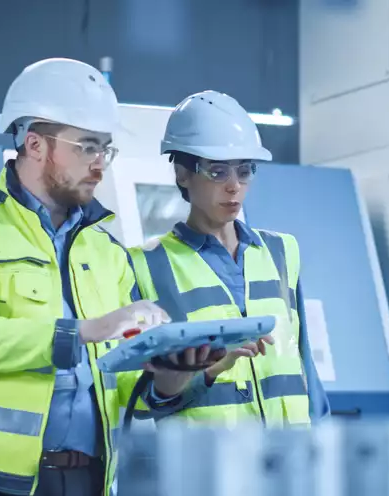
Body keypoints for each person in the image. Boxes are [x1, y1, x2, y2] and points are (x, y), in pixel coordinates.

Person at [0, 58, 207, 496]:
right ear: (35, 144)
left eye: (105, 149)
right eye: (87, 146)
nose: (100, 162)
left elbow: (128, 377)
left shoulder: (106, 250)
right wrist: (85, 330)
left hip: (88, 491)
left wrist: (174, 373)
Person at [128, 90, 330, 426]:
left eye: (245, 171)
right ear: (182, 174)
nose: (234, 187)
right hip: (211, 471)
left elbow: (304, 368)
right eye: (218, 172)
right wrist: (210, 371)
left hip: (290, 464)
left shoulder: (281, 252)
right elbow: (144, 400)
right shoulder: (145, 265)